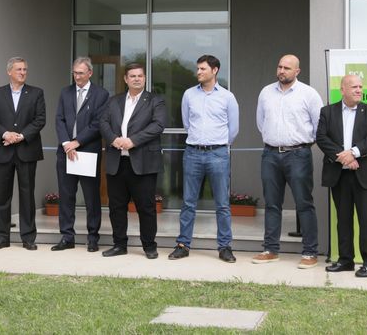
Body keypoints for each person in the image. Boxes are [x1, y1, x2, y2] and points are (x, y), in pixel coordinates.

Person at [254, 54, 323, 269]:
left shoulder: (309, 94)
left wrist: (300, 145)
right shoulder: (266, 92)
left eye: (287, 68)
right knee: (272, 204)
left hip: (298, 155)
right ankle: (270, 250)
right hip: (270, 154)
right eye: (280, 66)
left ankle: (310, 252)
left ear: (297, 71)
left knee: (304, 203)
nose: (282, 71)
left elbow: (319, 125)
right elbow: (261, 123)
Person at [169, 55, 239, 263]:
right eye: (198, 68)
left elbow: (233, 129)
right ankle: (183, 245)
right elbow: (187, 123)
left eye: (202, 69)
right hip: (192, 153)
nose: (198, 72)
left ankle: (225, 247)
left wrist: (218, 144)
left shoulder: (227, 97)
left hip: (218, 154)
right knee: (188, 202)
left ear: (214, 70)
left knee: (222, 204)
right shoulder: (189, 95)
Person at [316, 74, 367, 278]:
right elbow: (322, 138)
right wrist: (344, 158)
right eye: (354, 87)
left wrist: (354, 153)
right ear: (342, 90)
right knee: (343, 220)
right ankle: (345, 260)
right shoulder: (327, 112)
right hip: (339, 175)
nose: (359, 90)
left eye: (360, 87)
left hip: (365, 174)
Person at [100, 63, 166, 259]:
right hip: (117, 162)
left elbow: (158, 125)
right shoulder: (114, 101)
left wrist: (133, 141)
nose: (137, 79)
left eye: (140, 76)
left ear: (144, 78)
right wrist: (114, 139)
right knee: (116, 207)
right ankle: (119, 245)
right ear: (125, 79)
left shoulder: (155, 100)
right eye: (133, 76)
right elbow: (102, 122)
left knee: (146, 207)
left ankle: (149, 246)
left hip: (143, 163)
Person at [0, 57, 46, 251]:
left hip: (27, 151)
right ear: (9, 71)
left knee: (27, 196)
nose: (23, 72)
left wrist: (20, 136)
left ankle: (28, 238)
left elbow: (40, 120)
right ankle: (2, 238)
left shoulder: (36, 93)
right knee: (2, 197)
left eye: (25, 69)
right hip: (3, 151)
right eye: (19, 69)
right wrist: (6, 134)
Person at [52, 57, 109, 252]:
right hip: (66, 152)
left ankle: (93, 238)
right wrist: (67, 144)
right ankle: (67, 237)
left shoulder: (101, 94)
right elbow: (59, 119)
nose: (77, 76)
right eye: (75, 73)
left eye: (81, 73)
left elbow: (98, 123)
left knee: (91, 198)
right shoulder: (65, 92)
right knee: (66, 196)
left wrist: (77, 142)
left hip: (88, 152)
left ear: (90, 73)